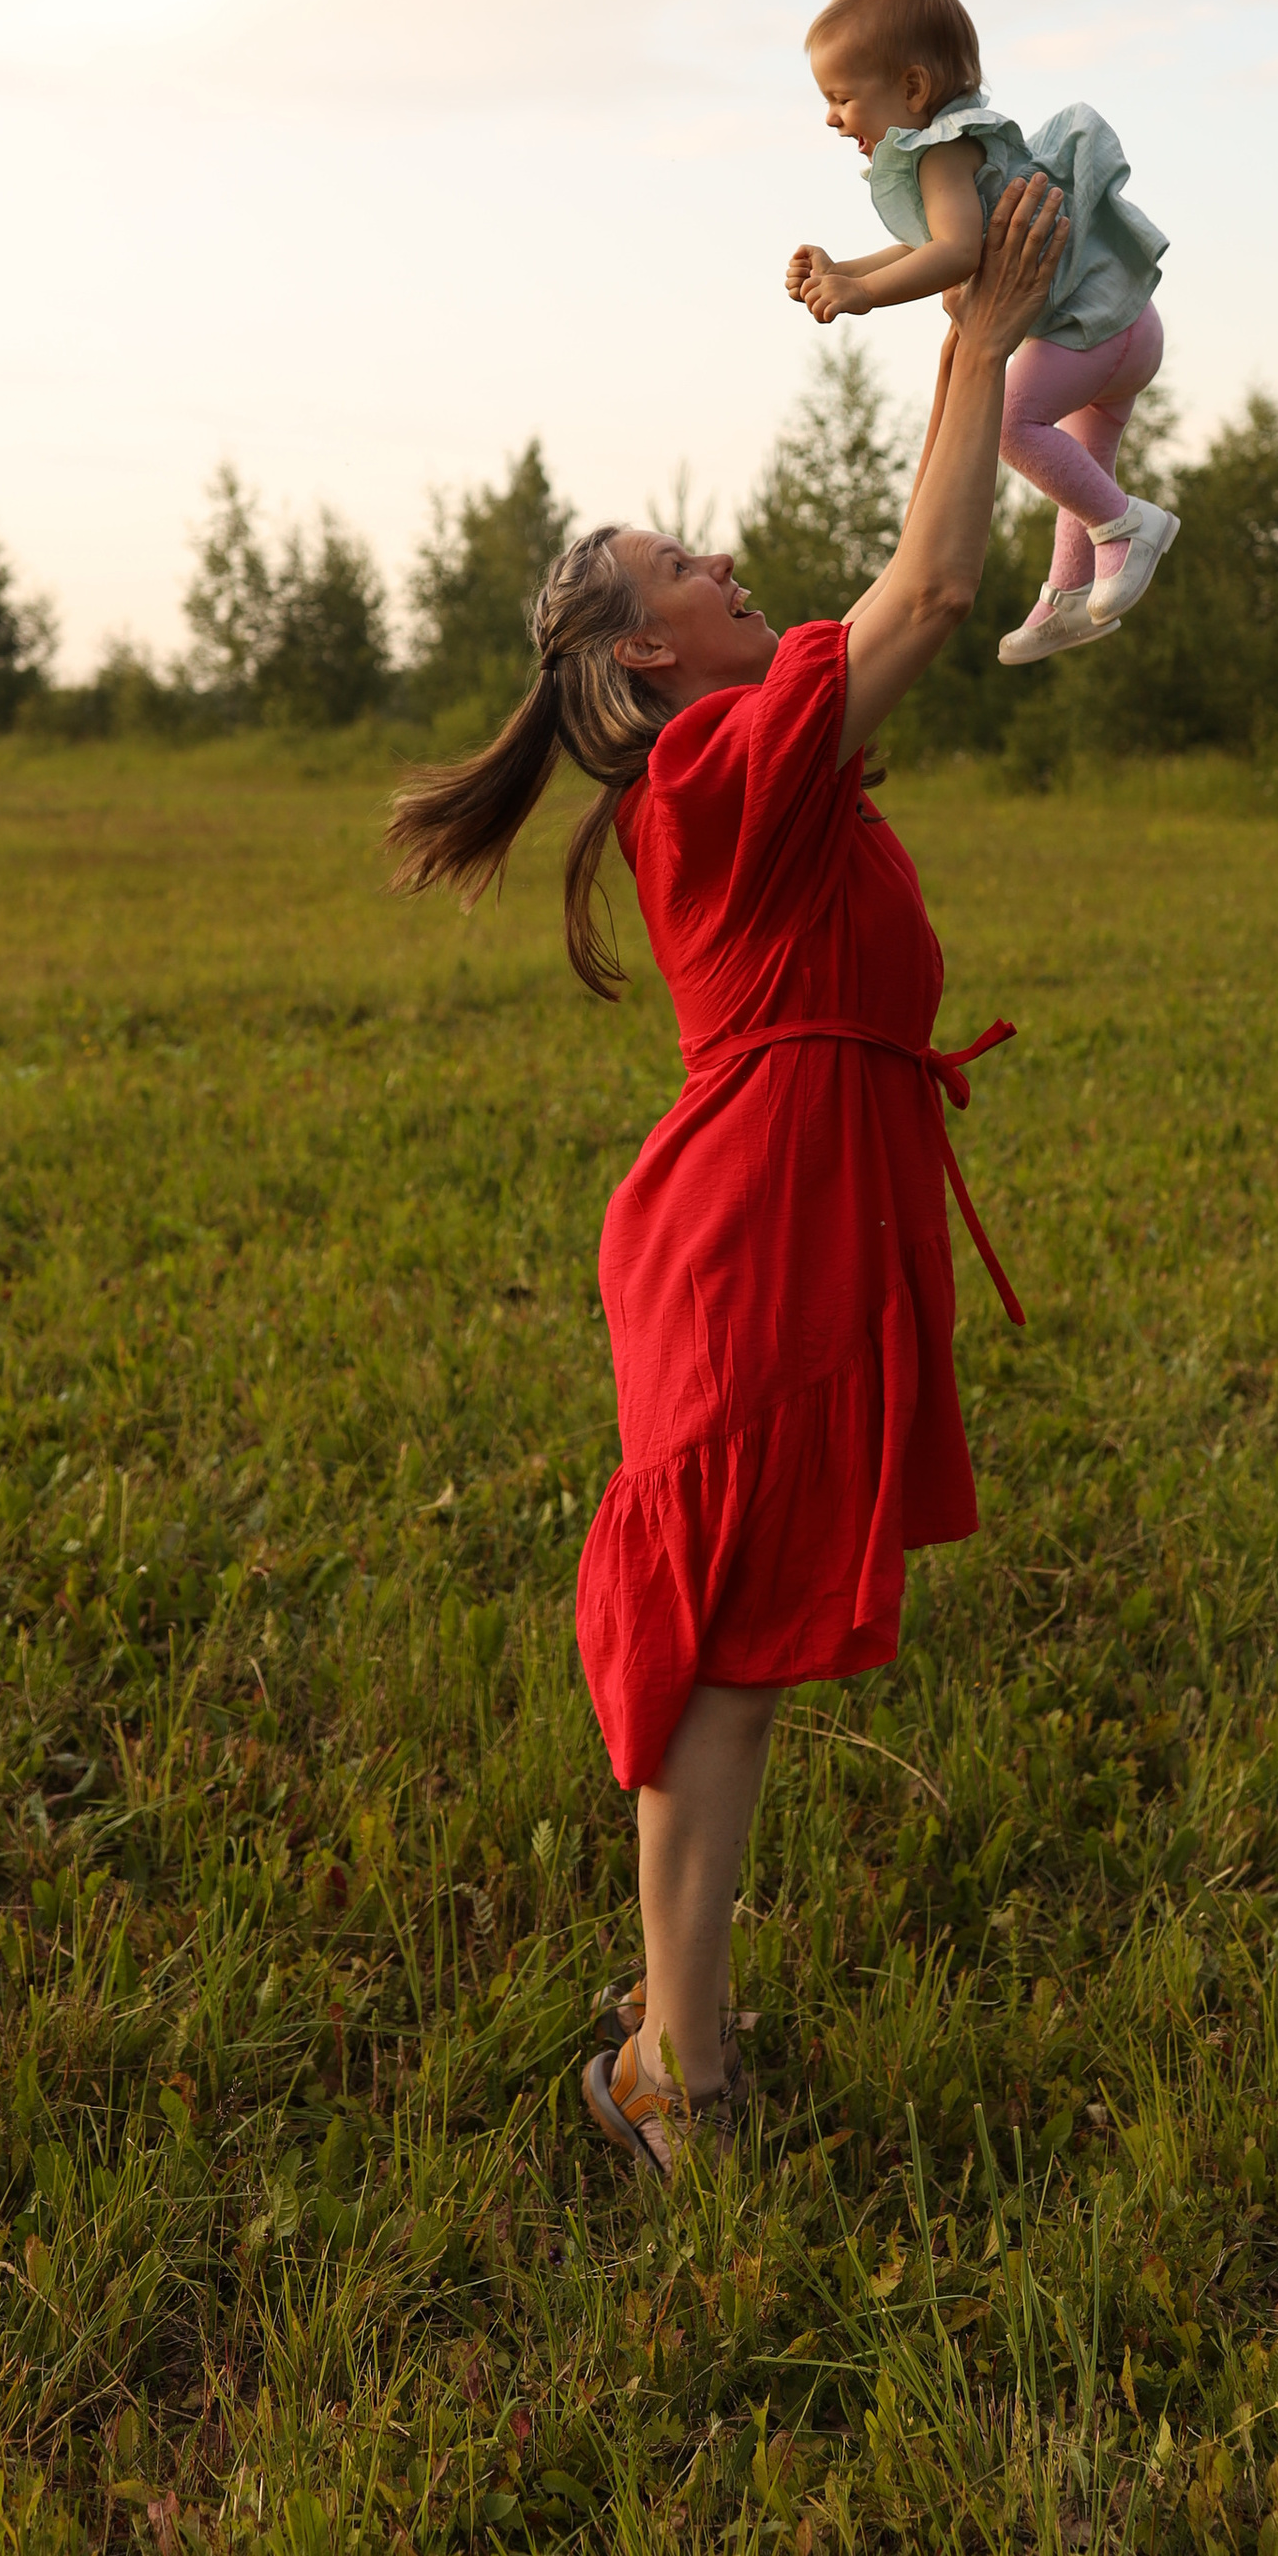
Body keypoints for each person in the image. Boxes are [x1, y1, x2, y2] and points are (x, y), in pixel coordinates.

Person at [388, 172, 1070, 2180]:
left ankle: (676, 2036)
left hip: (796, 1210)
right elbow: (925, 598)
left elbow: (932, 592)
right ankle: (675, 2074)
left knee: (746, 1650)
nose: (723, 564)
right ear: (636, 664)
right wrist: (970, 338)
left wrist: (1012, 385)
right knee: (726, 1652)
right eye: (681, 562)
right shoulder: (705, 767)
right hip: (759, 1227)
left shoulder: (757, 766)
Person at [784, 0, 1177, 666]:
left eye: (842, 98)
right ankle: (1067, 598)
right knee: (1080, 458)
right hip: (1115, 328)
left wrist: (864, 296)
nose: (831, 118)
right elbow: (928, 245)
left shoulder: (941, 152)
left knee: (1007, 421)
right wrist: (842, 270)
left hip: (1098, 331)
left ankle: (1126, 523)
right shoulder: (954, 146)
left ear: (911, 88)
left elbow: (957, 253)